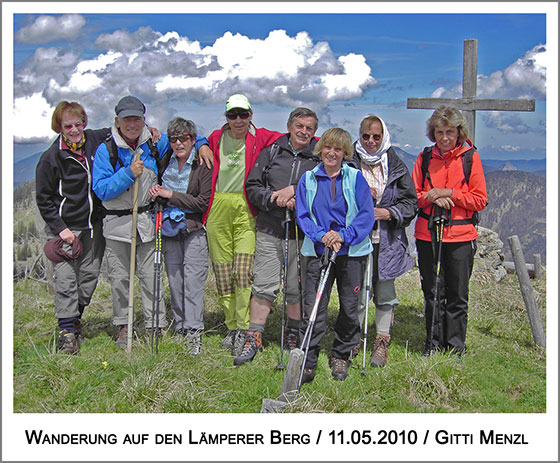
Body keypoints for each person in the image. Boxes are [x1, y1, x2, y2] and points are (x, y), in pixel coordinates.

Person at [92, 95, 210, 348]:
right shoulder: (107, 149)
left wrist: (202, 144)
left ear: (144, 120)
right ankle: (125, 325)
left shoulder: (155, 143)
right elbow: (101, 190)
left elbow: (185, 138)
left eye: (137, 118)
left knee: (151, 276)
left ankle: (154, 324)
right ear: (117, 121)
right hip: (117, 225)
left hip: (147, 221)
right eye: (127, 119)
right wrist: (126, 174)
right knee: (121, 278)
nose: (132, 124)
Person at [233, 107, 320, 366]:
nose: (304, 132)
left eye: (309, 128)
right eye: (299, 126)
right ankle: (254, 336)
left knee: (296, 287)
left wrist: (297, 193)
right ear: (289, 126)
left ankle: (293, 333)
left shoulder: (318, 155)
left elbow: (326, 187)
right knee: (263, 284)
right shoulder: (272, 151)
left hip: (303, 232)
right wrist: (273, 198)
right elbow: (252, 187)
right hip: (270, 228)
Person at [205, 94, 283, 356]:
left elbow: (293, 138)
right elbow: (200, 139)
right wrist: (202, 144)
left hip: (245, 207)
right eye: (232, 115)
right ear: (226, 117)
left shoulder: (260, 137)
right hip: (217, 206)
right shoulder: (216, 138)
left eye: (243, 114)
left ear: (251, 114)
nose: (238, 120)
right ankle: (232, 327)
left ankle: (244, 326)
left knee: (243, 271)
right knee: (223, 273)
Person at [296, 128, 375, 383]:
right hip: (318, 250)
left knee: (349, 308)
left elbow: (366, 215)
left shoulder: (355, 178)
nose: (332, 153)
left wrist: (343, 235)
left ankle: (341, 355)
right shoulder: (308, 179)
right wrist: (323, 236)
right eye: (328, 147)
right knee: (314, 307)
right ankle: (308, 358)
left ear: (345, 153)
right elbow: (303, 216)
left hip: (351, 252)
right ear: (320, 149)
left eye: (338, 149)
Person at [411, 106, 487, 358]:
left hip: (461, 237)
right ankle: (432, 345)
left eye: (450, 132)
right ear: (433, 133)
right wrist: (431, 196)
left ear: (458, 132)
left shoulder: (469, 158)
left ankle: (455, 349)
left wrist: (450, 193)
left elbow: (479, 199)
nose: (444, 137)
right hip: (428, 234)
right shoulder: (424, 158)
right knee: (432, 292)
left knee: (456, 294)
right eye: (439, 132)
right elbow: (413, 197)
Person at [35, 101, 110, 354]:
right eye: (68, 126)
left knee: (89, 278)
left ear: (84, 122)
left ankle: (74, 321)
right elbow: (44, 198)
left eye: (78, 124)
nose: (75, 129)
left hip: (94, 225)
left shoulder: (94, 140)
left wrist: (152, 131)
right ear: (60, 127)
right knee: (66, 279)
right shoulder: (51, 157)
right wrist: (60, 228)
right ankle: (66, 332)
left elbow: (122, 129)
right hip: (66, 229)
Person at [350, 115, 417, 368]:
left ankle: (381, 340)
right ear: (359, 135)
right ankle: (355, 336)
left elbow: (410, 203)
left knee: (385, 291)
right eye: (366, 136)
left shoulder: (396, 165)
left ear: (383, 137)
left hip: (385, 239)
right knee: (356, 290)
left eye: (376, 136)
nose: (370, 141)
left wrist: (387, 213)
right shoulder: (350, 162)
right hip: (357, 239)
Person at [149, 118, 212, 356]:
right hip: (167, 229)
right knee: (175, 281)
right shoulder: (165, 160)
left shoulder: (202, 164)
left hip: (193, 229)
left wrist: (170, 194)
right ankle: (181, 326)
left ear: (193, 140)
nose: (178, 143)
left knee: (193, 281)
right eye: (174, 139)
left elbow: (201, 202)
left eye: (184, 138)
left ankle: (194, 330)